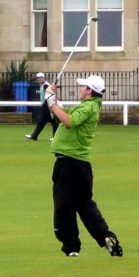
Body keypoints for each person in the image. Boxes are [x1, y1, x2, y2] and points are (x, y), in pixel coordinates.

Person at [46, 74, 122, 258]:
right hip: (81, 165)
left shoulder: (88, 106)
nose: (80, 89)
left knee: (64, 205)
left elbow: (69, 121)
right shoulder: (89, 106)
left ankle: (71, 246)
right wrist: (53, 101)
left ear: (89, 91)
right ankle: (105, 236)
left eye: (83, 87)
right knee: (85, 204)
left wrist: (50, 102)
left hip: (68, 163)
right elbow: (66, 114)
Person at [24, 71, 59, 141]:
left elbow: (48, 90)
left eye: (40, 78)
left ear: (43, 78)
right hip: (46, 105)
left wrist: (50, 89)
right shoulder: (43, 85)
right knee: (44, 122)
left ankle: (56, 137)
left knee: (51, 122)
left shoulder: (45, 85)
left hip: (47, 105)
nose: (38, 79)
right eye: (37, 78)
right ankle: (34, 135)